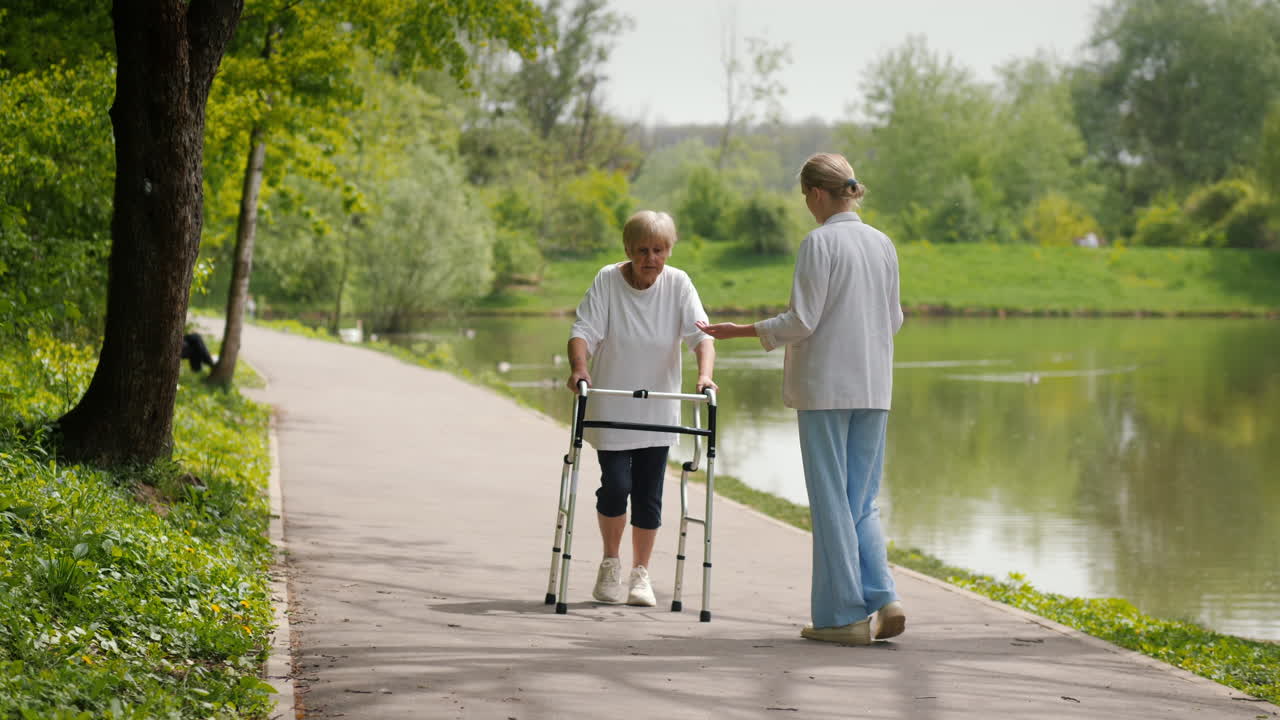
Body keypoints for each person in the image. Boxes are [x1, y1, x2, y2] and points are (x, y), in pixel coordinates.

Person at [696, 152, 906, 645]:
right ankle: (885, 595)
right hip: (875, 389)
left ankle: (843, 619)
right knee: (861, 501)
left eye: (804, 197)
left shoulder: (819, 243)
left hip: (827, 390)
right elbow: (894, 319)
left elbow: (802, 320)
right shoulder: (883, 243)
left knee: (833, 501)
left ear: (815, 194)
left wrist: (738, 331)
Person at [566, 210, 716, 608]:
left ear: (669, 250)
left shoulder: (679, 283)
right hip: (612, 406)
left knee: (649, 496)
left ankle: (640, 575)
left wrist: (704, 376)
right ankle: (611, 563)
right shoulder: (607, 280)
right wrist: (580, 368)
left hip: (659, 408)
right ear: (628, 250)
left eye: (659, 250)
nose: (651, 258)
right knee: (616, 486)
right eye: (643, 250)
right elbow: (583, 331)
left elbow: (700, 337)